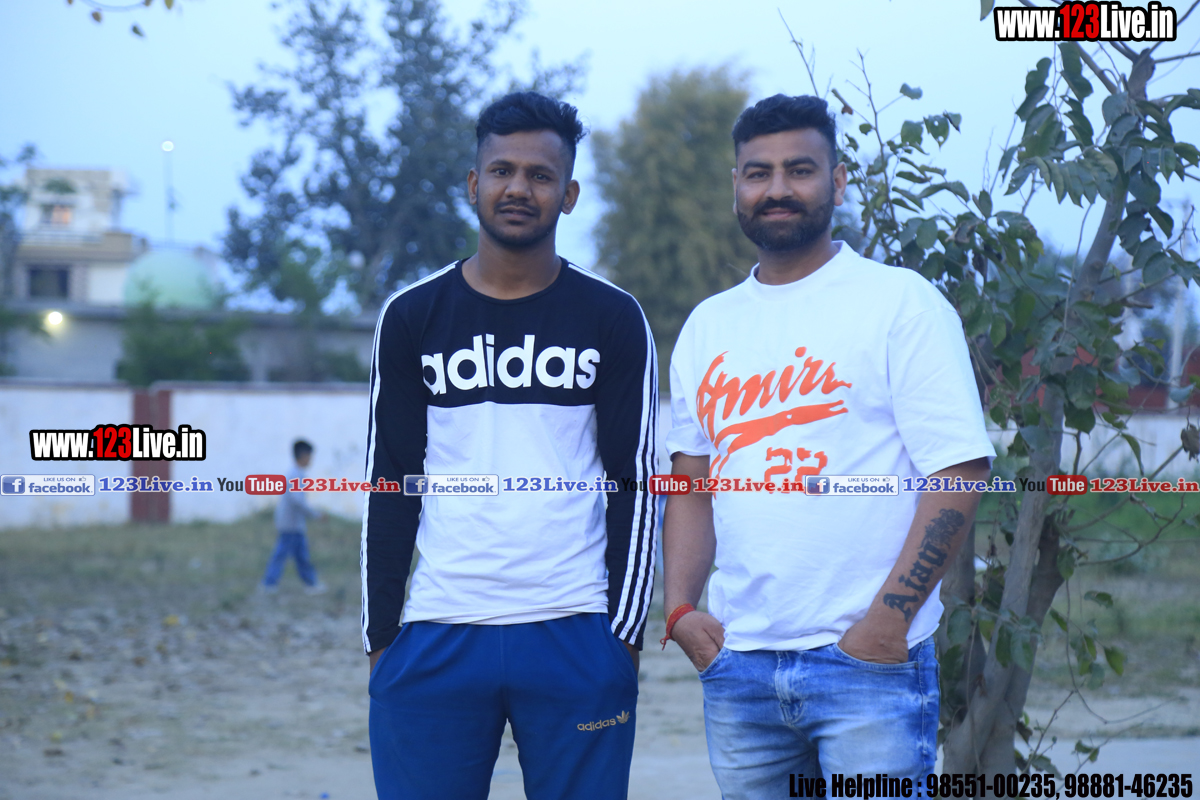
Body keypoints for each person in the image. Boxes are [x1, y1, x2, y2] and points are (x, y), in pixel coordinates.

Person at [661, 94, 995, 794]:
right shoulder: (708, 326)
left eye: (801, 169)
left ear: (838, 182)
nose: (777, 188)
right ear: (736, 186)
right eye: (758, 172)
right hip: (740, 665)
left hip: (867, 665)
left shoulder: (900, 302)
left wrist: (886, 624)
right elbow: (690, 483)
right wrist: (682, 609)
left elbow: (959, 470)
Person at [361, 92, 658, 800]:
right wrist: (381, 641)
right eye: (501, 171)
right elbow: (389, 481)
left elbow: (637, 483)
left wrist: (622, 641)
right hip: (437, 630)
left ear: (569, 195)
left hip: (574, 629)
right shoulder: (411, 315)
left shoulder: (614, 317)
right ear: (474, 184)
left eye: (540, 174)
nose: (518, 188)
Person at [261, 438, 326, 594]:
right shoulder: (295, 475)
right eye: (310, 456)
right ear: (303, 456)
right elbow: (297, 501)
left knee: (299, 556)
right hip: (291, 525)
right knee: (284, 555)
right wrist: (316, 515)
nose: (311, 460)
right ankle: (270, 583)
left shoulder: (297, 474)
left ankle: (309, 583)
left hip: (293, 524)